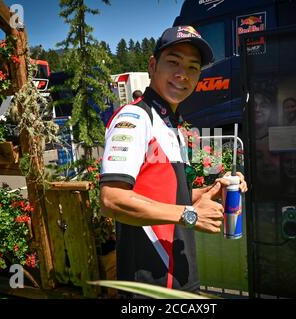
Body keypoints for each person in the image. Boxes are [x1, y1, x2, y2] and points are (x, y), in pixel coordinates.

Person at [100, 25, 247, 294]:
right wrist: (190, 215)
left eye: (193, 67)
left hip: (180, 275)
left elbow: (166, 196)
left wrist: (211, 191)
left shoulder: (171, 126)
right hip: (148, 284)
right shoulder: (133, 119)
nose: (183, 75)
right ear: (153, 66)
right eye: (173, 62)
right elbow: (113, 200)